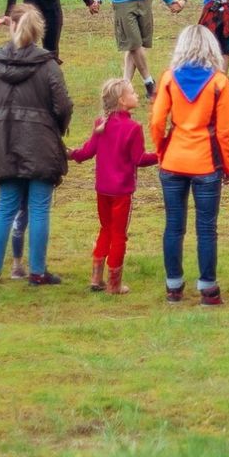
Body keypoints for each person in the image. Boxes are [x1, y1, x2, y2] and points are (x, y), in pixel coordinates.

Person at [0, 5, 73, 286]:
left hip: (5, 143)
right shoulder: (48, 65)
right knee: (39, 208)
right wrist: (56, 127)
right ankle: (37, 272)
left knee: (5, 208)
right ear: (38, 30)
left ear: (12, 27)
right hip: (40, 143)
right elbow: (63, 105)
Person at [151, 24, 229, 307]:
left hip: (174, 158)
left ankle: (173, 286)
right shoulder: (219, 82)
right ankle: (208, 288)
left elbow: (156, 122)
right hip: (206, 163)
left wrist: (161, 150)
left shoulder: (168, 78)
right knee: (206, 228)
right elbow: (224, 132)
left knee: (174, 225)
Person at [69, 76, 158, 295]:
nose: (137, 95)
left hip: (103, 189)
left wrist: (71, 154)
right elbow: (139, 159)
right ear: (121, 100)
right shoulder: (133, 128)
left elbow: (88, 152)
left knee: (105, 230)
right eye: (133, 92)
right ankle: (114, 283)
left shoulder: (101, 124)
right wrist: (161, 155)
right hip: (122, 191)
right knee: (119, 235)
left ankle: (96, 277)